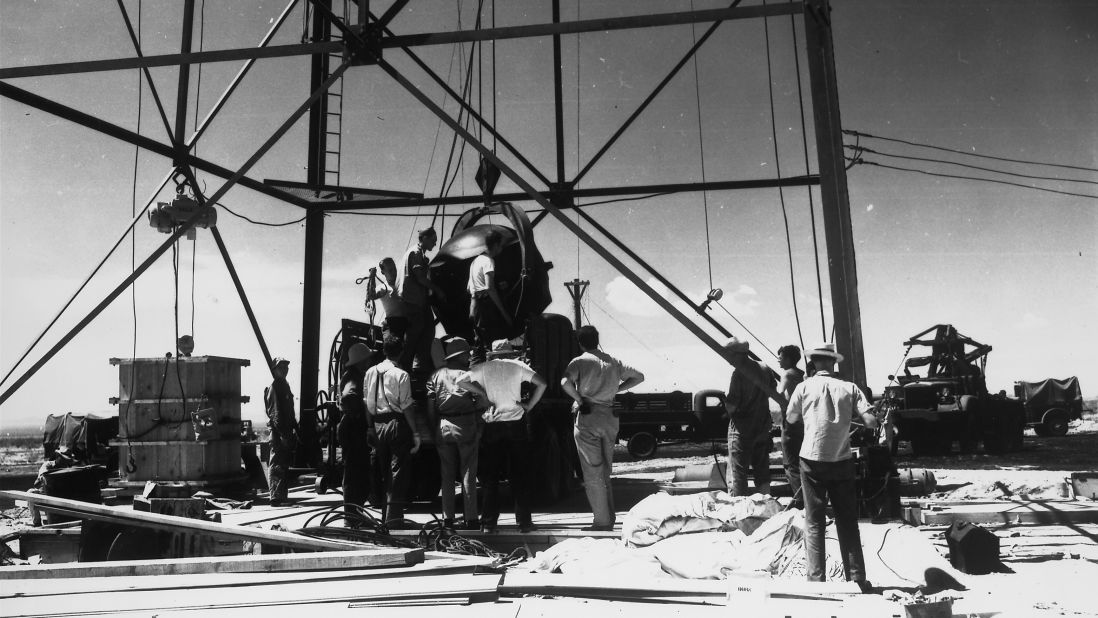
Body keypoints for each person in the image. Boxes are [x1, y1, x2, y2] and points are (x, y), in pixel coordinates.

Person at [786, 343, 878, 590]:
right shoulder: (849, 388)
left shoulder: (803, 387)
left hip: (812, 460)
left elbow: (790, 418)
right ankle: (857, 579)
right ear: (834, 363)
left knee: (814, 522)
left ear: (813, 362)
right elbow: (870, 422)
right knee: (847, 521)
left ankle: (816, 581)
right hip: (841, 461)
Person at [560, 325, 645, 531]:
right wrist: (617, 389)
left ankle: (602, 521)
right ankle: (610, 516)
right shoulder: (614, 362)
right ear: (597, 340)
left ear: (580, 342)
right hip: (609, 417)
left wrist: (579, 398)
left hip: (588, 416)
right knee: (605, 470)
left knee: (592, 472)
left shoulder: (579, 362)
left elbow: (564, 382)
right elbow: (639, 376)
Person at [457, 341, 547, 533]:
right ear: (510, 353)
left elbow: (460, 382)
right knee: (519, 475)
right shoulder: (518, 366)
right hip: (516, 424)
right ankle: (524, 523)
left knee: (491, 477)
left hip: (493, 425)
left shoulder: (483, 368)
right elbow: (542, 383)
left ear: (493, 354)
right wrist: (529, 405)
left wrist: (483, 392)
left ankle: (489, 523)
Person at [363, 335, 422, 526]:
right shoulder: (401, 374)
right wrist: (415, 432)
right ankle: (394, 519)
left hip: (377, 424)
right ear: (401, 352)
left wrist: (370, 427)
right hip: (396, 424)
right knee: (398, 473)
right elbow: (406, 406)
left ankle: (384, 517)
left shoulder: (370, 372)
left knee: (383, 471)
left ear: (384, 351)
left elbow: (367, 403)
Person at [426, 337, 482, 529]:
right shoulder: (468, 375)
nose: (469, 357)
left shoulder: (436, 375)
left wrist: (435, 428)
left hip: (443, 426)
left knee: (447, 475)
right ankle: (471, 519)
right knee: (468, 472)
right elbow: (481, 402)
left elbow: (430, 407)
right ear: (461, 355)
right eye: (467, 354)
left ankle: (447, 519)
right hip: (465, 425)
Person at [723, 337, 777, 497]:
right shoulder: (764, 367)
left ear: (738, 354)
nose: (728, 360)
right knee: (762, 472)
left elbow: (731, 406)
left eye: (730, 355)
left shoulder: (738, 373)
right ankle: (766, 506)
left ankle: (738, 513)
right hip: (762, 428)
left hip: (742, 430)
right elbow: (772, 391)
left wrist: (725, 405)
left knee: (737, 474)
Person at [397, 228, 446, 372]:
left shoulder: (418, 254)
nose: (435, 244)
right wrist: (438, 290)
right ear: (424, 238)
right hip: (413, 301)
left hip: (417, 301)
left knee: (428, 329)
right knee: (414, 334)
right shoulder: (416, 253)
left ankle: (418, 365)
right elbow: (420, 278)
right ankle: (405, 365)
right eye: (433, 240)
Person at [337, 343, 377, 518]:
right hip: (353, 429)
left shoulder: (355, 375)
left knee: (358, 472)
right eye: (367, 358)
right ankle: (351, 516)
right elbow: (348, 397)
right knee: (354, 473)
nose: (369, 361)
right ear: (361, 361)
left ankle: (355, 514)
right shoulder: (353, 377)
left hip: (352, 428)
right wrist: (361, 411)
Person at [467, 230, 512, 364]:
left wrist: (472, 310)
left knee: (478, 345)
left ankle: (474, 374)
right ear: (496, 245)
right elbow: (489, 288)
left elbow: (470, 288)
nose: (502, 249)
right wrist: (504, 313)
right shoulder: (488, 261)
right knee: (490, 347)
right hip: (487, 307)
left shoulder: (475, 262)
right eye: (501, 246)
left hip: (477, 308)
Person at [776, 344, 806, 508]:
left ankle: (799, 500)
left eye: (780, 357)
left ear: (787, 359)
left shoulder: (787, 374)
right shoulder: (801, 374)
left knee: (790, 464)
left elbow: (779, 394)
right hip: (803, 422)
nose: (778, 361)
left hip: (790, 422)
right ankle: (805, 496)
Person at [264, 357, 298, 506]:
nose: (284, 369)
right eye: (281, 367)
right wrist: (283, 435)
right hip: (279, 433)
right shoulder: (275, 388)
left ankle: (281, 496)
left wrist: (296, 428)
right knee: (277, 463)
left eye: (286, 367)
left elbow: (289, 411)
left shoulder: (284, 385)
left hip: (285, 431)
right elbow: (276, 414)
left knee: (283, 463)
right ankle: (276, 497)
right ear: (274, 369)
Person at [368, 257, 407, 339]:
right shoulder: (383, 288)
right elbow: (371, 296)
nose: (394, 272)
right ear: (383, 272)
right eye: (390, 270)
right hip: (391, 324)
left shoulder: (404, 283)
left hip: (407, 323)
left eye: (394, 269)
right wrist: (372, 278)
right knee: (391, 346)